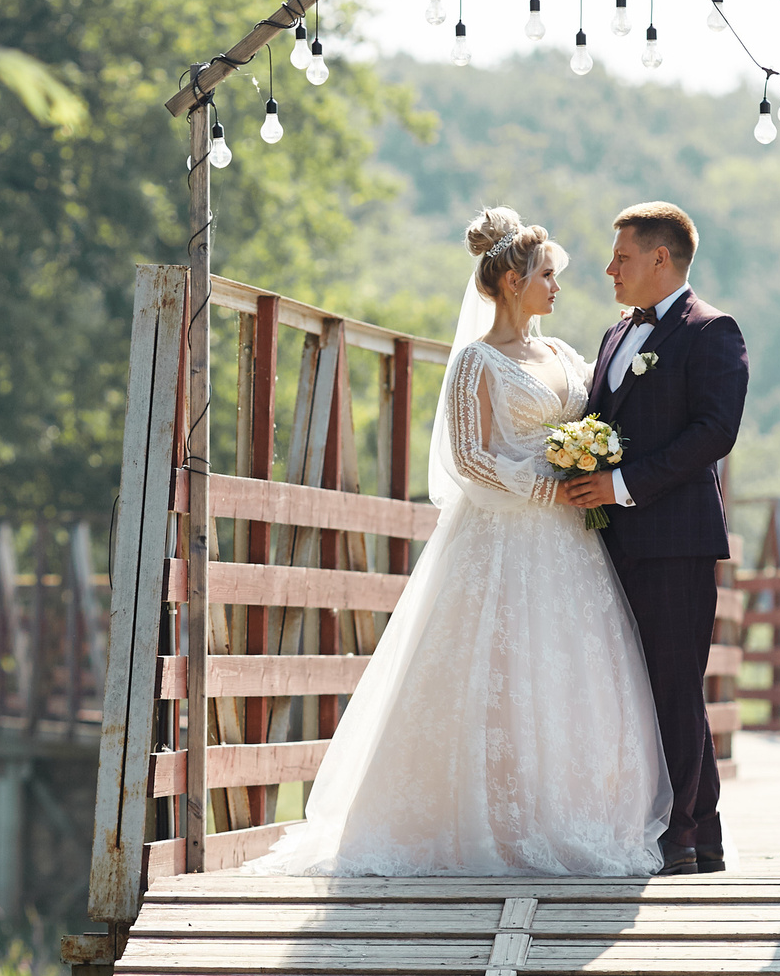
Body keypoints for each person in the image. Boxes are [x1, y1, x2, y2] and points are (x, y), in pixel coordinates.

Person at [245, 207, 673, 877]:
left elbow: (603, 416)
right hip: (500, 537)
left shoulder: (564, 355)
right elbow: (469, 458)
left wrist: (589, 464)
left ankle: (564, 813)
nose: (557, 287)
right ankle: (482, 819)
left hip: (568, 544)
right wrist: (542, 485)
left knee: (565, 673)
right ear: (510, 281)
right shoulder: (476, 362)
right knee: (494, 676)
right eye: (546, 275)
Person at [561, 202, 749, 875]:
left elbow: (714, 431)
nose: (610, 268)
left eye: (622, 257)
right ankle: (694, 832)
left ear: (660, 259)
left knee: (673, 684)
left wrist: (622, 483)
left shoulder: (712, 331)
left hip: (675, 539)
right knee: (624, 684)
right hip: (609, 540)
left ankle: (685, 835)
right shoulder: (617, 335)